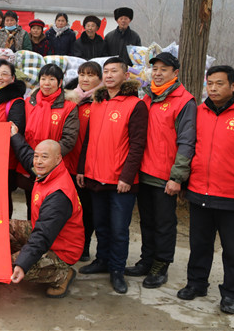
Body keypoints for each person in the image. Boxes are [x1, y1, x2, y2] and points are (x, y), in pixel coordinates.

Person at [123, 52, 196, 289]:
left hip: (165, 175)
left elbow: (187, 142)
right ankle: (147, 259)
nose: (158, 73)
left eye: (164, 69)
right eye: (155, 69)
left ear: (175, 73)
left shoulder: (184, 101)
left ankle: (161, 264)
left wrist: (177, 177)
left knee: (164, 223)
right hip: (143, 172)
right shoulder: (148, 97)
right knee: (146, 220)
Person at [77, 57, 148, 294]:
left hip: (120, 180)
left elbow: (137, 145)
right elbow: (88, 139)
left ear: (125, 76)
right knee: (101, 224)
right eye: (106, 71)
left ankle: (117, 270)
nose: (108, 75)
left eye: (113, 71)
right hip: (95, 175)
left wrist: (127, 177)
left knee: (119, 229)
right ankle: (102, 260)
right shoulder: (97, 102)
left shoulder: (135, 105)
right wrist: (82, 169)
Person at [177, 65, 234, 315]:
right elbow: (189, 146)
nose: (213, 88)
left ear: (233, 86)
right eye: (209, 83)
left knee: (233, 250)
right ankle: (196, 283)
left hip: (231, 194)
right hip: (200, 190)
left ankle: (231, 293)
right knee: (199, 243)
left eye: (219, 83)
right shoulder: (199, 111)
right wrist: (184, 182)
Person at [9, 140, 84, 298]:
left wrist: (21, 264)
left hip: (62, 249)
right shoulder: (45, 171)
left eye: (44, 157)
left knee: (9, 266)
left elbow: (42, 235)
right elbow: (27, 156)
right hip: (48, 234)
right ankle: (22, 255)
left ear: (58, 159)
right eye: (36, 156)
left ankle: (63, 274)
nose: (38, 161)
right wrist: (15, 136)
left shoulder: (58, 195)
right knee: (5, 228)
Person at [22, 64, 79, 219]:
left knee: (51, 211)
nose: (46, 83)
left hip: (56, 168)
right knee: (31, 207)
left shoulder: (69, 107)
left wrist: (47, 160)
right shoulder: (29, 103)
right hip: (31, 165)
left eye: (52, 79)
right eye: (43, 79)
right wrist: (33, 160)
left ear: (60, 82)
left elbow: (69, 140)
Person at [62, 61, 104, 262]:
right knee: (68, 208)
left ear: (99, 78)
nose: (85, 79)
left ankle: (84, 246)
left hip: (89, 165)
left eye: (91, 75)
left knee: (87, 209)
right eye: (82, 74)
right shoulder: (70, 99)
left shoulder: (101, 101)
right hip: (68, 162)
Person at [0, 59, 27, 218]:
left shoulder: (16, 102)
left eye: (4, 74)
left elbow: (14, 129)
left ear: (12, 78)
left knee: (2, 199)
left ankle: (4, 229)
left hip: (6, 160)